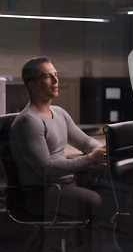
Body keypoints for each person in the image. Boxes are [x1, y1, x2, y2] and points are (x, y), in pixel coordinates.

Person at [10, 57, 107, 222]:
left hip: (64, 185)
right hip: (43, 193)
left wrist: (104, 151)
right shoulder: (29, 121)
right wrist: (90, 159)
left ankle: (79, 243)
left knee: (110, 191)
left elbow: (85, 142)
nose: (56, 80)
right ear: (31, 86)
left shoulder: (59, 112)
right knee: (102, 202)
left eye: (55, 74)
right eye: (47, 76)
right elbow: (47, 168)